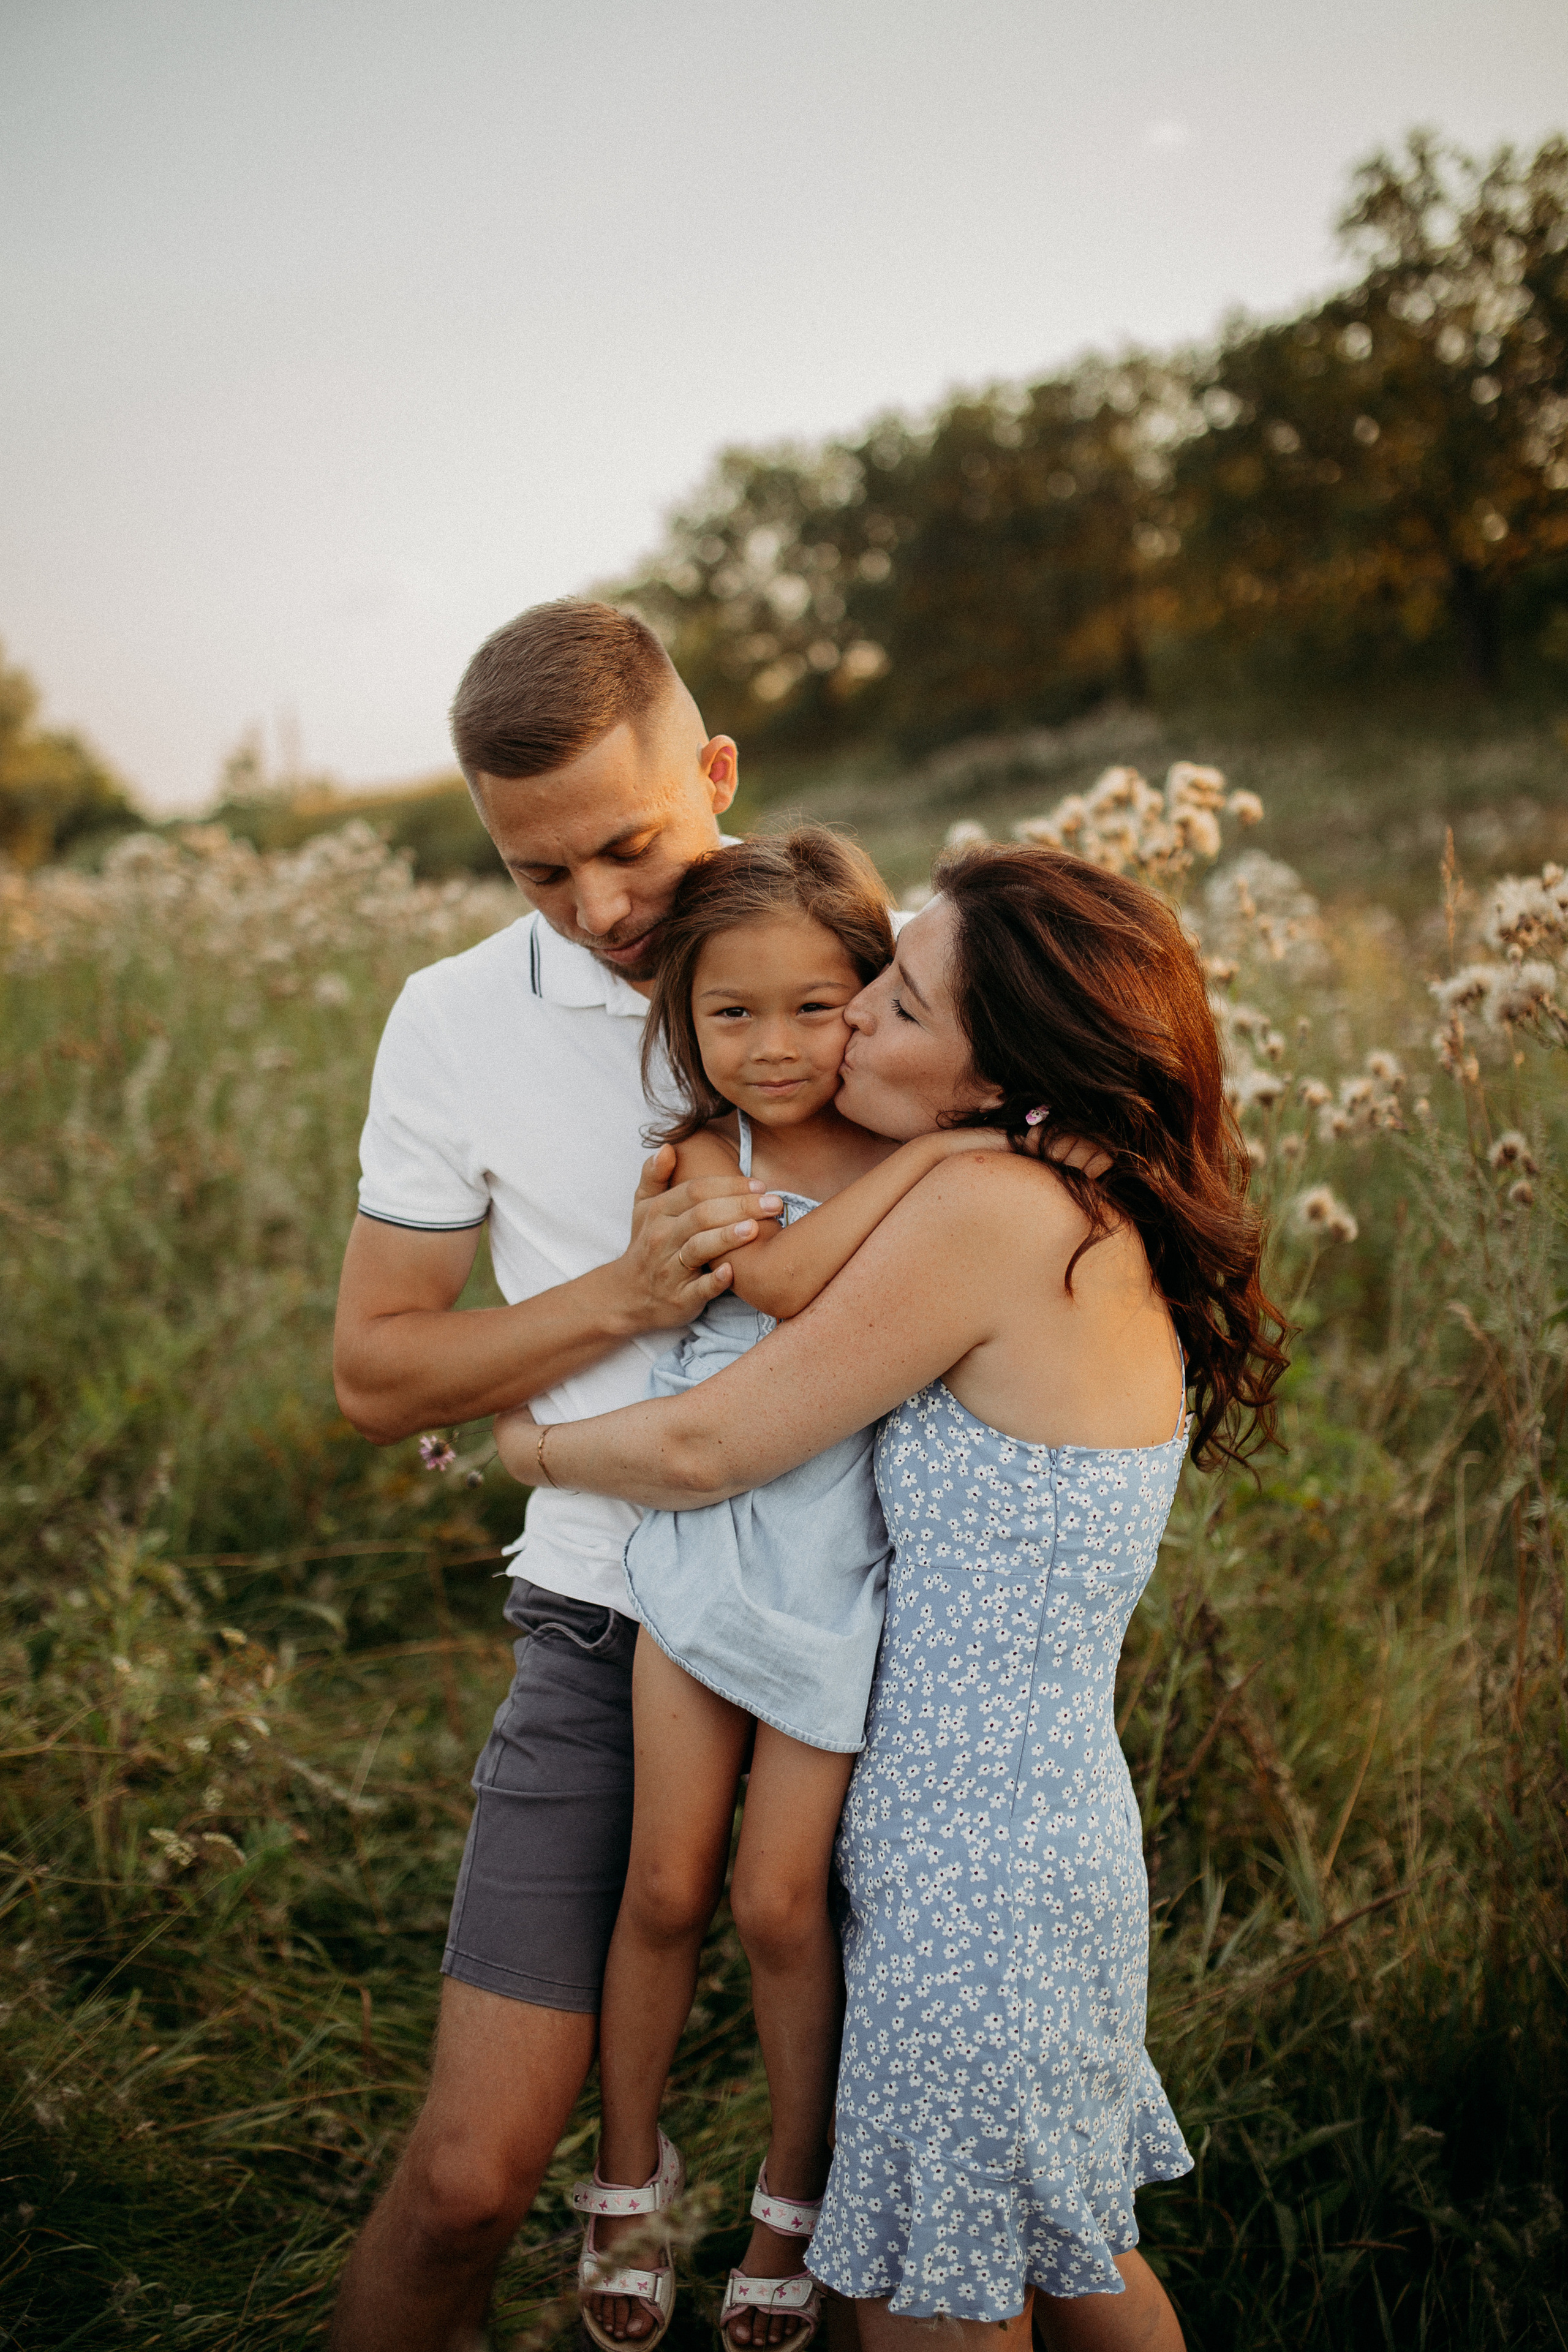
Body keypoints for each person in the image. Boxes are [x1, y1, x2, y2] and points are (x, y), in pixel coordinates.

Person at [496, 843, 1289, 2352]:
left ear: (1005, 1077)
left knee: (922, 2297)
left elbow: (715, 1436)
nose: (849, 1025)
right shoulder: (1051, 1195)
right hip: (1030, 1837)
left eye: (896, 1005)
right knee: (1068, 2256)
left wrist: (523, 1444)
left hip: (970, 1877)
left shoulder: (997, 1212)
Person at [328, 599, 797, 2352]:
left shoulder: (891, 965)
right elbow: (380, 1365)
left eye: (633, 845)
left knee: (936, 2198)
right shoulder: (452, 1021)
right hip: (604, 1617)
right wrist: (620, 1291)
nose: (601, 911)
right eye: (541, 876)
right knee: (464, 2182)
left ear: (717, 774)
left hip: (885, 1630)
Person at [564, 829, 1009, 2352]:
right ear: (681, 1021)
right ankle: (625, 2178)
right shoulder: (708, 1157)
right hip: (704, 1536)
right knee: (669, 1882)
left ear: (871, 996)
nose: (769, 1049)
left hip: (843, 1567)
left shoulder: (909, 1144)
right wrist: (953, 1160)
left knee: (776, 1900)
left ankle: (791, 2198)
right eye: (728, 1015)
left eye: (815, 1008)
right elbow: (783, 1288)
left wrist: (938, 1152)